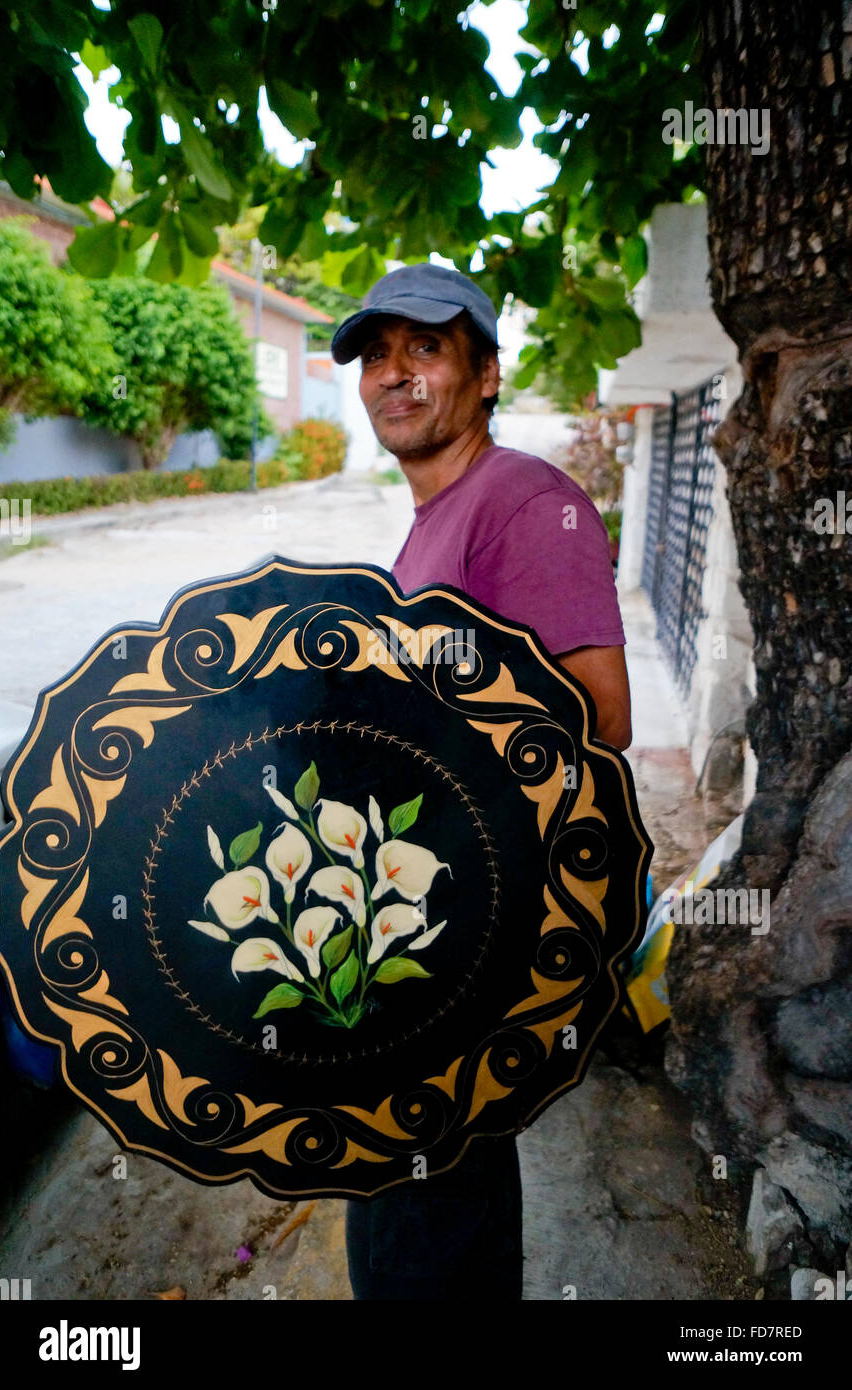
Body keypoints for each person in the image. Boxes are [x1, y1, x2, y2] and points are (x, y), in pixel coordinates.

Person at [330, 264, 632, 1300]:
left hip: (465, 948)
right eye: (374, 355)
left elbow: (598, 715)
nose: (392, 374)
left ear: (487, 373)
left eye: (423, 348)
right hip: (413, 937)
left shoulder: (520, 499)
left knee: (425, 1227)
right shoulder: (432, 524)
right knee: (413, 1212)